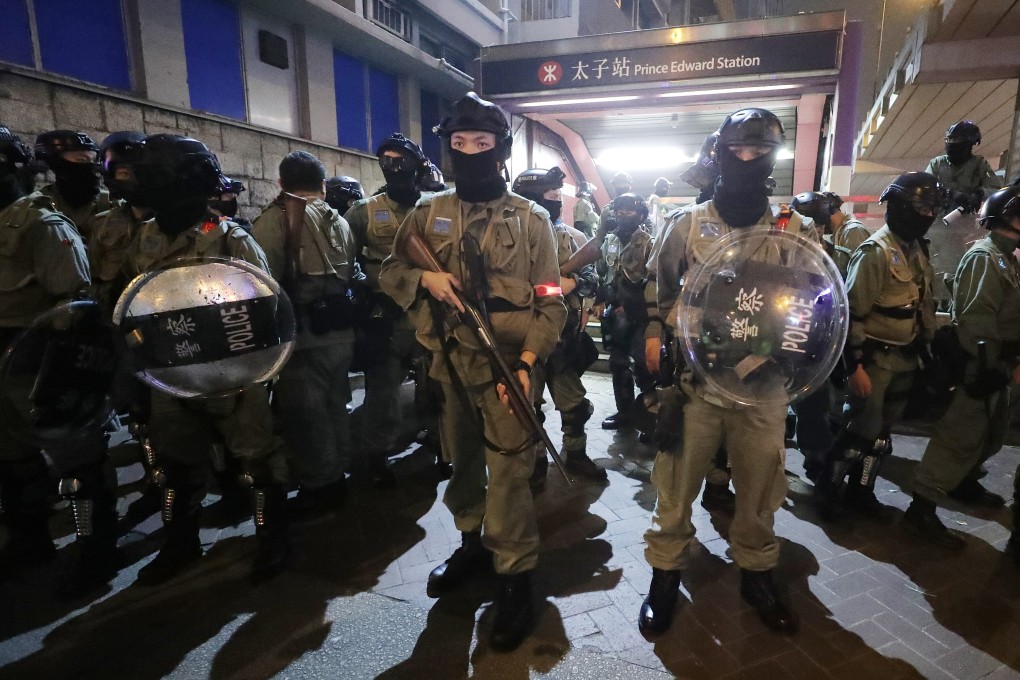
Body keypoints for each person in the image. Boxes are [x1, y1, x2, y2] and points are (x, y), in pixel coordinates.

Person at [378, 92, 565, 651]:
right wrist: (425, 280)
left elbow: (551, 301)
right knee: (461, 462)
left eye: (481, 143)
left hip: (510, 367)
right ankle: (470, 544)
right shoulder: (426, 213)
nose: (470, 152)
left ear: (500, 150)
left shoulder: (531, 220)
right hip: (450, 363)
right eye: (459, 143)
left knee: (509, 473)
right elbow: (391, 269)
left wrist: (528, 364)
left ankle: (515, 574)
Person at [639, 108, 817, 636]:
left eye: (757, 151)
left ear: (772, 158)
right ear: (720, 154)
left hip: (764, 388)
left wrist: (801, 343)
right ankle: (665, 573)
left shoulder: (794, 229)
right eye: (737, 150)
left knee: (760, 486)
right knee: (676, 486)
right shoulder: (689, 224)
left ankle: (757, 570)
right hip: (697, 383)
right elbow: (659, 289)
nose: (746, 159)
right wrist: (655, 334)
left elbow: (816, 300)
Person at [121, 134, 290, 585]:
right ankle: (180, 542)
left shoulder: (232, 240)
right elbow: (132, 300)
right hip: (173, 371)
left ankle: (273, 537)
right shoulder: (145, 236)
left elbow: (267, 307)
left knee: (257, 460)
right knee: (176, 463)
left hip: (234, 372)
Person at [0, 125, 117, 599]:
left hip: (43, 361)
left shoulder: (42, 224)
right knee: (12, 459)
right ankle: (31, 539)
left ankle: (95, 548)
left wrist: (73, 378)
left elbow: (76, 307)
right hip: (7, 367)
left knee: (79, 464)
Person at [819, 173, 942, 523]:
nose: (929, 215)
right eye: (922, 208)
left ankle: (862, 492)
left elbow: (922, 305)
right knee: (860, 431)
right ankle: (829, 490)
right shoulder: (875, 252)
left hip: (905, 358)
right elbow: (852, 315)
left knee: (881, 437)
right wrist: (855, 366)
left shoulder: (915, 249)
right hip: (875, 361)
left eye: (932, 209)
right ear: (902, 208)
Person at [907, 184, 1020, 548]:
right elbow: (976, 319)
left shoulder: (1006, 258)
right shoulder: (985, 257)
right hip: (981, 365)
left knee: (990, 434)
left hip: (998, 364)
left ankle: (964, 482)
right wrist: (993, 367)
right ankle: (921, 507)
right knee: (959, 437)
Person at [251, 151, 357, 516]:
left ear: (281, 183)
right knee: (336, 405)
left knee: (306, 416)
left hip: (302, 336)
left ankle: (322, 483)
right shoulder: (339, 221)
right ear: (322, 185)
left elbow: (262, 283)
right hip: (340, 332)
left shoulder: (276, 218)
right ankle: (339, 469)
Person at [346, 133, 432, 486]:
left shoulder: (435, 208)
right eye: (387, 161)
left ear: (418, 166)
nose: (394, 168)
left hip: (430, 312)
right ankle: (376, 456)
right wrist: (366, 298)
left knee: (440, 385)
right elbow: (345, 261)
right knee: (383, 392)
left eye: (401, 161)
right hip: (387, 316)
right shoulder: (364, 211)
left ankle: (442, 444)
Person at [511, 166, 605, 487]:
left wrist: (574, 281)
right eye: (550, 196)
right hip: (526, 338)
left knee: (574, 405)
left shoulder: (574, 237)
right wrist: (547, 287)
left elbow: (593, 277)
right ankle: (536, 460)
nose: (557, 202)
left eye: (557, 196)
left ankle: (576, 453)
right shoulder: (511, 237)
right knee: (529, 405)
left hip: (563, 338)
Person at [925, 121, 1003, 307]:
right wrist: (949, 193)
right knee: (927, 264)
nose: (952, 144)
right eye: (949, 140)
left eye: (958, 140)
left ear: (970, 144)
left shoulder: (979, 165)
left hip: (962, 230)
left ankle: (948, 303)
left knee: (955, 268)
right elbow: (925, 185)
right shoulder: (937, 164)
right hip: (935, 226)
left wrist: (979, 194)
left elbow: (996, 189)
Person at [596, 193, 656, 430]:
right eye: (619, 212)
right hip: (615, 312)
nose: (623, 216)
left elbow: (654, 283)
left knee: (644, 366)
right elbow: (603, 272)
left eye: (629, 212)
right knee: (618, 365)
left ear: (640, 215)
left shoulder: (649, 243)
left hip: (640, 315)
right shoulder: (609, 240)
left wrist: (635, 308)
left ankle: (651, 417)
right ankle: (625, 414)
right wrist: (600, 300)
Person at [34, 130, 112, 241]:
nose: (92, 167)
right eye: (81, 160)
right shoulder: (38, 206)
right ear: (57, 162)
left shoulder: (113, 205)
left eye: (94, 160)